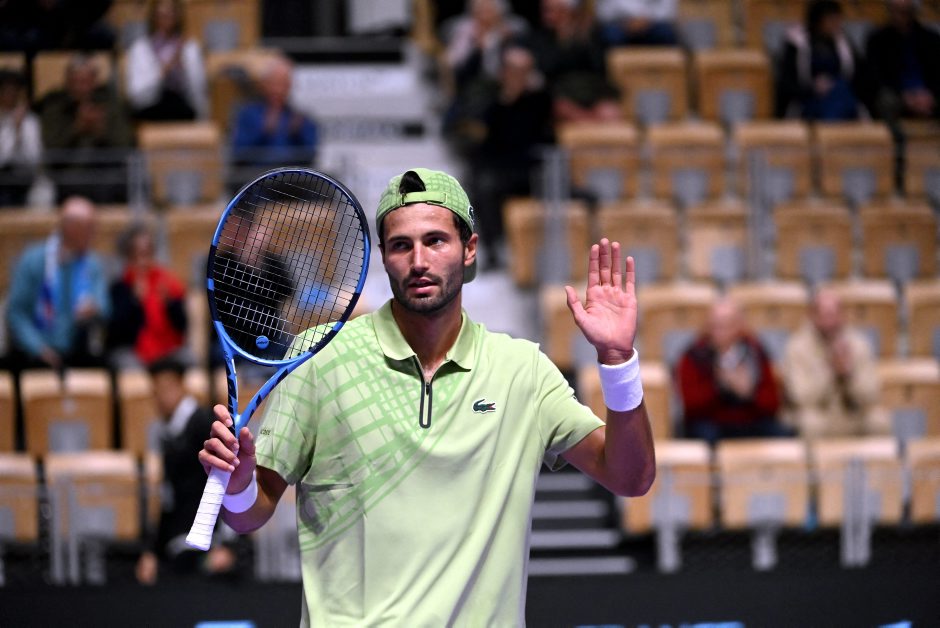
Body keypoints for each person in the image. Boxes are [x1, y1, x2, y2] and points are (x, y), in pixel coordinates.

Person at [198, 168, 655, 625]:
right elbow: (250, 514)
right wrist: (237, 486)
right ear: (384, 257)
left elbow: (630, 478)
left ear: (469, 249)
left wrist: (618, 361)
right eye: (402, 245)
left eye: (436, 241)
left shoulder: (523, 371)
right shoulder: (319, 358)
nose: (419, 260)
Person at [136, 356, 237, 585]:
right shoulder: (168, 434)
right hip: (179, 547)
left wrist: (229, 545)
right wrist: (152, 552)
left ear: (180, 386)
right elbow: (169, 497)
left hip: (209, 552)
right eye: (155, 392)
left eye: (165, 389)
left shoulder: (204, 424)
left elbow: (229, 482)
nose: (158, 398)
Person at [470, 45, 554, 269]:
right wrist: (508, 99)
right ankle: (494, 249)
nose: (519, 76)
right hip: (501, 169)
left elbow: (545, 136)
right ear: (504, 72)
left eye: (525, 71)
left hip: (533, 168)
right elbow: (484, 140)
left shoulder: (540, 99)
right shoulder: (490, 102)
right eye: (515, 71)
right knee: (483, 188)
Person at [5, 196, 110, 369]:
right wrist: (38, 348)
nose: (94, 234)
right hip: (34, 353)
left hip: (77, 352)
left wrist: (94, 308)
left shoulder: (92, 264)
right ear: (70, 229)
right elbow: (16, 313)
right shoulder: (33, 260)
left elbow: (105, 307)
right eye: (89, 228)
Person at [676, 297, 791, 444]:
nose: (718, 332)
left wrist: (749, 392)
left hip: (750, 420)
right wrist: (720, 383)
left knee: (783, 436)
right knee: (703, 436)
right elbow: (691, 406)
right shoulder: (694, 355)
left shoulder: (756, 351)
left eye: (725, 326)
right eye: (714, 326)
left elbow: (772, 403)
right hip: (712, 423)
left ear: (739, 326)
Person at [781, 288, 887, 440]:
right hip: (820, 413)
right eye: (825, 315)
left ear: (843, 315)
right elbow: (801, 397)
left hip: (850, 413)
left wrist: (848, 375)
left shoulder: (858, 344)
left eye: (834, 314)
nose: (830, 321)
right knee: (811, 423)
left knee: (878, 420)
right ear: (812, 316)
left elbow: (871, 394)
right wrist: (830, 371)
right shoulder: (797, 347)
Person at [36, 53, 135, 203]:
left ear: (95, 81)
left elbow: (126, 146)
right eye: (76, 82)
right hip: (67, 176)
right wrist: (76, 129)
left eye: (86, 82)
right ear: (67, 82)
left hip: (106, 175)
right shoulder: (55, 109)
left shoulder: (111, 106)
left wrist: (101, 131)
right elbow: (49, 150)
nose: (81, 88)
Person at [520, 0, 622, 124]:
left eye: (553, 10)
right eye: (545, 10)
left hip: (592, 91)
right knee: (560, 107)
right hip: (559, 94)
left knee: (609, 113)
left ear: (568, 12)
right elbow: (546, 68)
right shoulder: (538, 37)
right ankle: (589, 123)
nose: (547, 15)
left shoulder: (590, 33)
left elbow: (598, 66)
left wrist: (576, 37)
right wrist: (561, 41)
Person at [107, 223, 190, 370]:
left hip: (168, 350)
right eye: (138, 254)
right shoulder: (120, 288)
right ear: (129, 257)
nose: (143, 261)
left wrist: (170, 304)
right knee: (128, 366)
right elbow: (116, 336)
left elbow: (182, 327)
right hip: (134, 353)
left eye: (148, 253)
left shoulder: (168, 283)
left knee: (189, 359)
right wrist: (134, 302)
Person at [775, 0, 870, 120]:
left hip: (841, 95)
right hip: (807, 99)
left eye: (838, 20)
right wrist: (813, 88)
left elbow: (858, 75)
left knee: (841, 92)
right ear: (818, 21)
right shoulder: (797, 43)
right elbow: (786, 82)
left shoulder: (844, 42)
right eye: (831, 20)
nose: (836, 24)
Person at [230, 55, 318, 172]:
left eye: (284, 84)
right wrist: (263, 133)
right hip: (255, 178)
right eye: (274, 84)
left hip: (292, 179)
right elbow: (238, 154)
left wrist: (297, 135)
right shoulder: (247, 115)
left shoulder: (300, 119)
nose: (278, 90)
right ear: (264, 84)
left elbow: (311, 155)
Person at [125, 0, 209, 122]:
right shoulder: (140, 48)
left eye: (170, 14)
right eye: (161, 15)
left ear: (178, 16)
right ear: (154, 17)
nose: (166, 19)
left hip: (181, 107)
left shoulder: (189, 48)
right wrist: (164, 70)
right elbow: (136, 95)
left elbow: (198, 92)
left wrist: (184, 70)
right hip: (149, 108)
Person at [865, 0, 940, 123]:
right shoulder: (877, 40)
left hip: (927, 93)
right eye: (894, 10)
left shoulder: (931, 39)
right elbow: (876, 77)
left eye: (904, 12)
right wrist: (904, 96)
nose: (899, 16)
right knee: (886, 100)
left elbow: (937, 73)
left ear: (913, 12)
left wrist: (929, 95)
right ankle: (895, 134)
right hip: (897, 93)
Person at [0, 68, 43, 206]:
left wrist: (18, 130)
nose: (10, 95)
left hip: (24, 176)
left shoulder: (30, 121)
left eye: (14, 91)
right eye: (5, 91)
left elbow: (33, 157)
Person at [595, 0, 679, 47]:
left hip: (653, 23)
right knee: (611, 35)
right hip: (621, 25)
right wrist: (627, 22)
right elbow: (603, 12)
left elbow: (669, 10)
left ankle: (663, 69)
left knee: (666, 33)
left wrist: (646, 20)